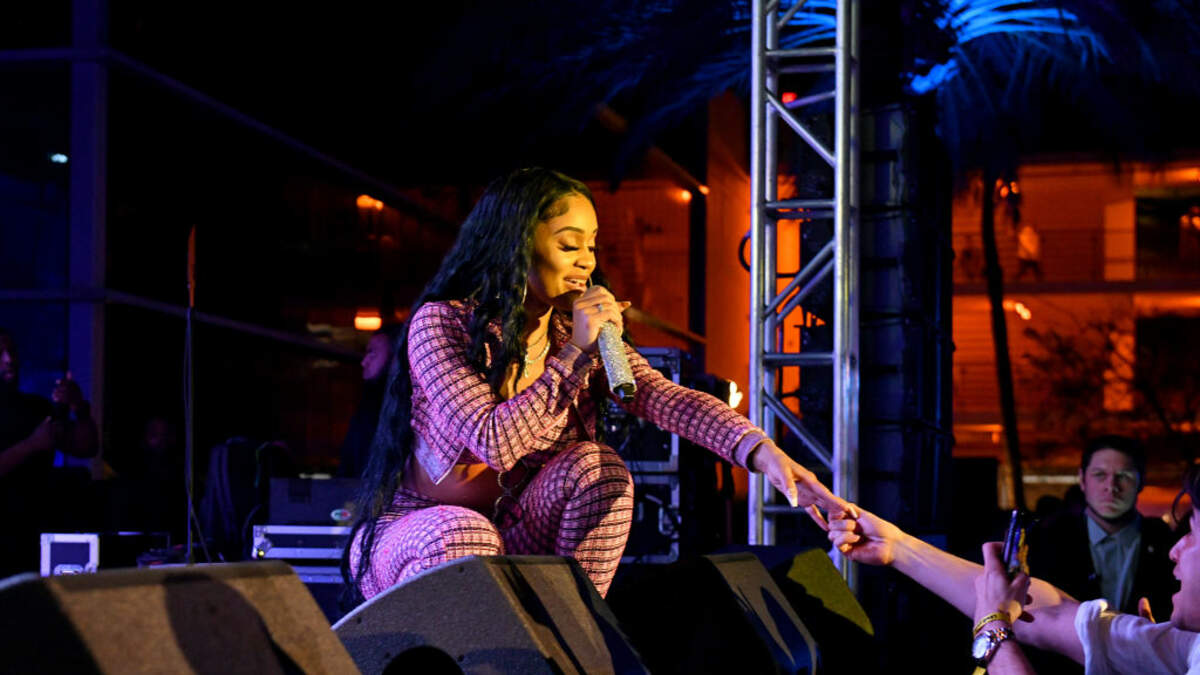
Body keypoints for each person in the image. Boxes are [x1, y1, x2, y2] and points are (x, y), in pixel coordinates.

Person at [343, 168, 848, 601]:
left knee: (599, 468)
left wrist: (765, 455)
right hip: (423, 534)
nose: (586, 260)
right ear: (515, 245)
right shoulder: (442, 324)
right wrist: (577, 355)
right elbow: (493, 442)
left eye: (591, 245)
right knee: (466, 534)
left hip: (513, 533)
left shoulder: (572, 335)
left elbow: (664, 397)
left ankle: (573, 632)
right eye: (568, 244)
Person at [829, 464, 1200, 674]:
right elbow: (1052, 615)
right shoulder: (1188, 648)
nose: (1175, 550)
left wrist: (992, 627)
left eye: (1193, 532)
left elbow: (1015, 616)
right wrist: (898, 547)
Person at [1027, 435, 1176, 618]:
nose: (1111, 486)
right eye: (1100, 475)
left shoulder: (1166, 543)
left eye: (1124, 476)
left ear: (1141, 481)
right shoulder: (1048, 540)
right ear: (1082, 479)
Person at [0, 328, 99, 576]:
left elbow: (86, 447)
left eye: (12, 351)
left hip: (36, 535)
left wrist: (79, 407)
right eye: (0, 353)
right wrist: (31, 445)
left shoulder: (35, 407)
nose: (9, 359)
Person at [338, 324, 406, 479]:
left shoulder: (398, 409)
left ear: (395, 358)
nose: (364, 362)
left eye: (372, 353)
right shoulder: (369, 405)